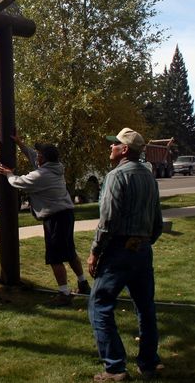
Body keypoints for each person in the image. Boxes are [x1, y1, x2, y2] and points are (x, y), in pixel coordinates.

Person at [88, 128, 164, 381]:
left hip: (118, 251)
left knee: (99, 305)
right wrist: (143, 242)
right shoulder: (149, 176)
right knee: (145, 307)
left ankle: (115, 368)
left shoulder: (116, 176)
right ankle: (150, 363)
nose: (110, 147)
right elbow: (157, 221)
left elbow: (107, 220)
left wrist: (95, 252)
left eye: (115, 145)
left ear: (124, 150)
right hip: (142, 250)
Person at [0, 134, 90, 306]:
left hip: (55, 218)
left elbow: (18, 182)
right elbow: (32, 154)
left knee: (55, 256)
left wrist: (8, 173)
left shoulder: (41, 175)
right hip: (66, 214)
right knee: (69, 251)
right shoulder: (55, 167)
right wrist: (20, 144)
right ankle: (83, 283)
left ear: (44, 159)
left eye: (39, 155)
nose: (36, 156)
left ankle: (64, 294)